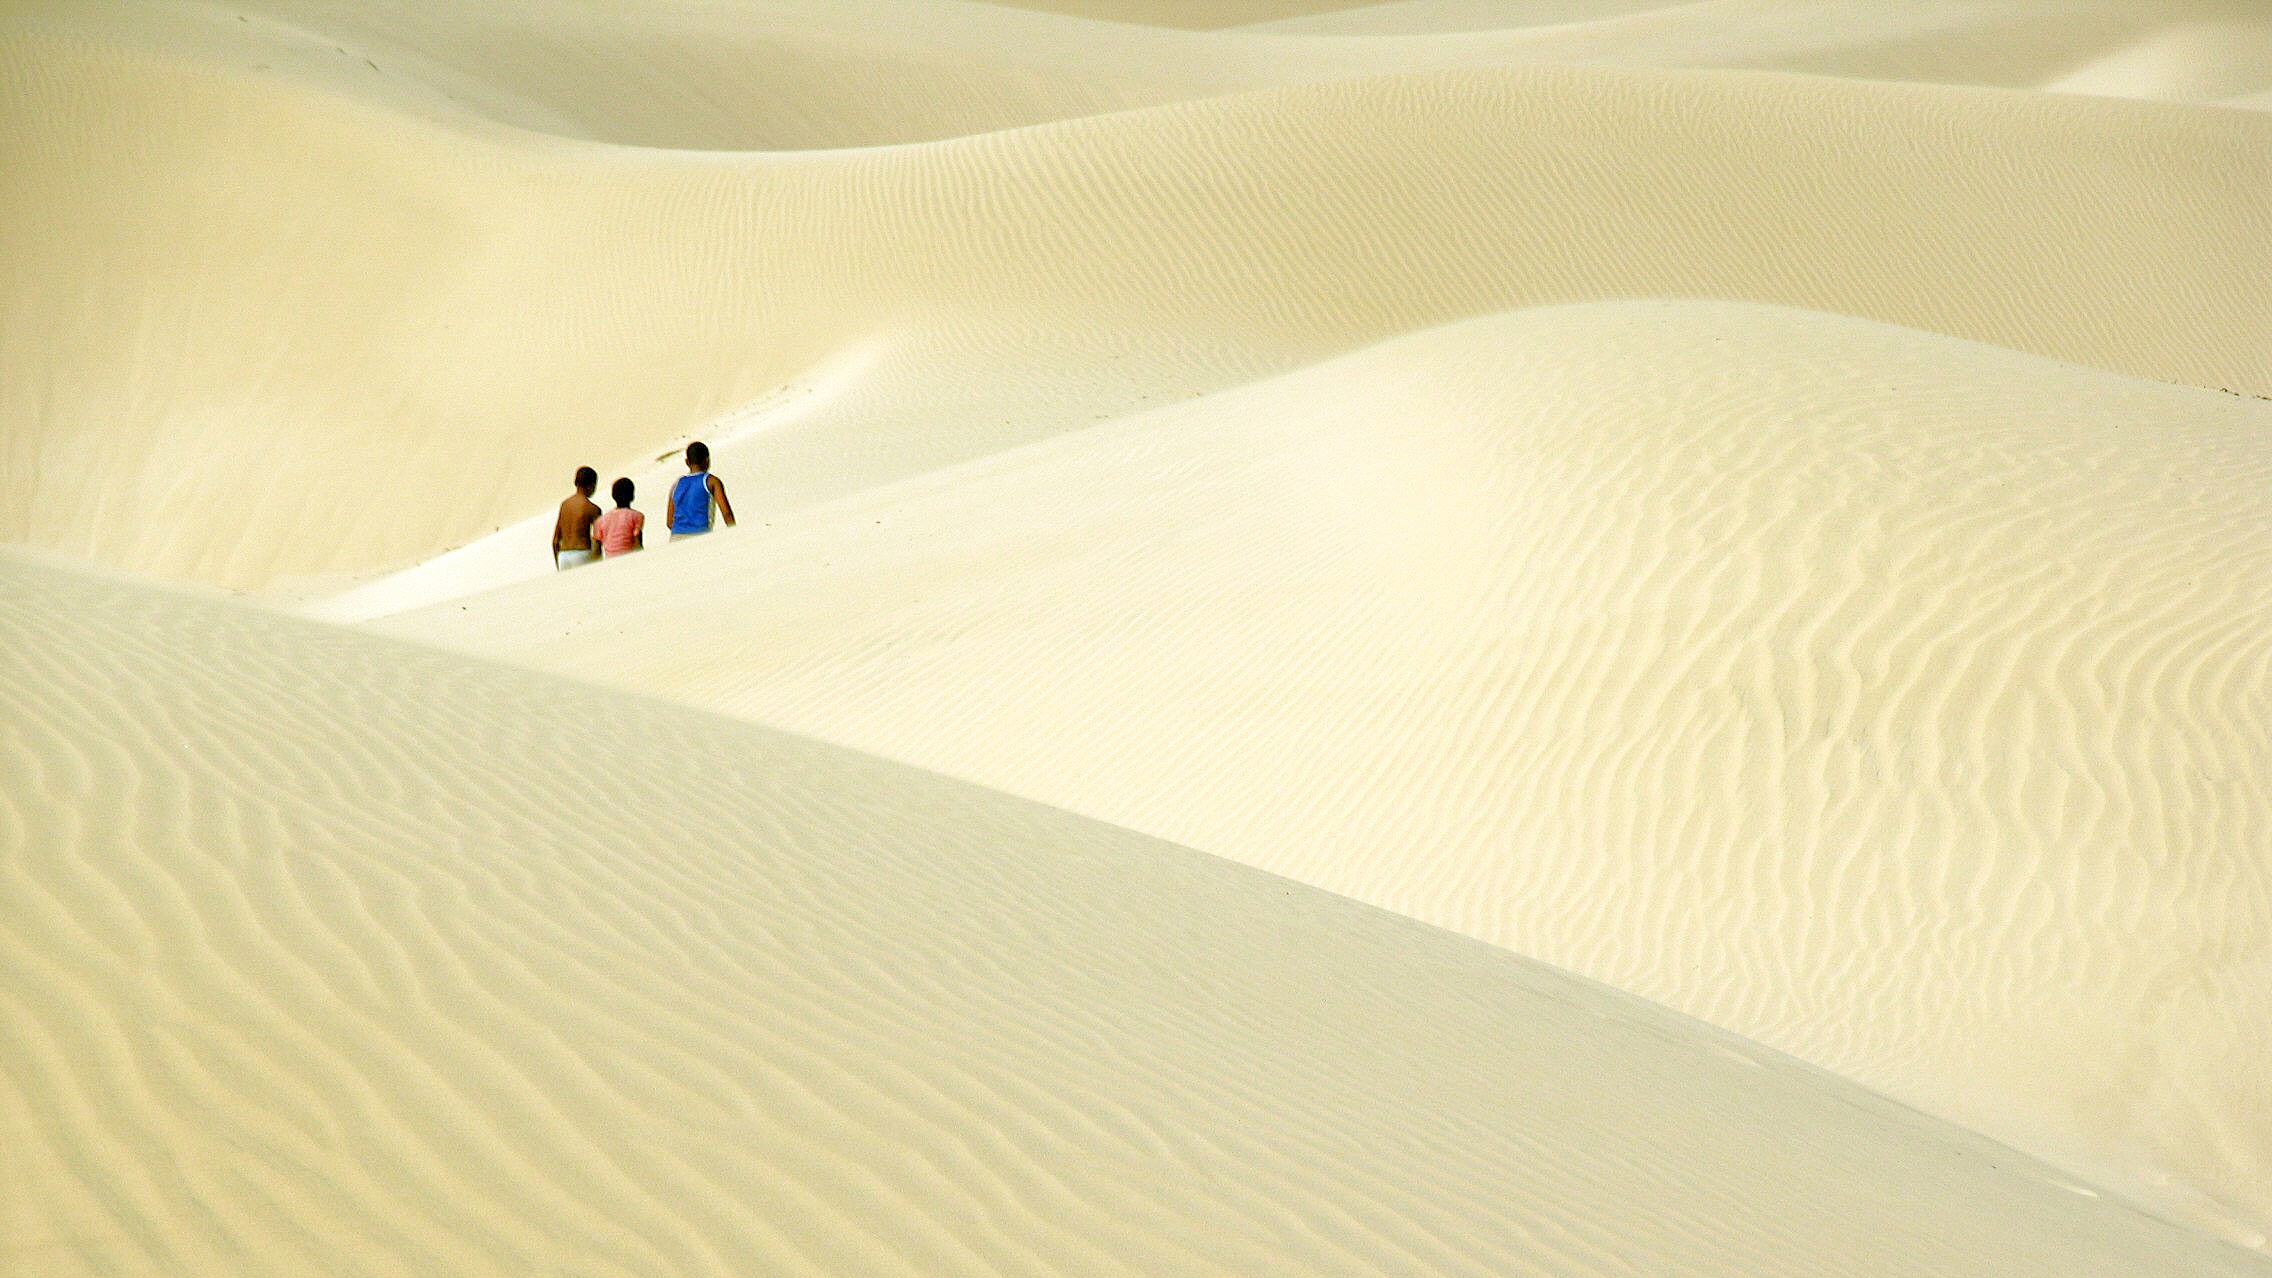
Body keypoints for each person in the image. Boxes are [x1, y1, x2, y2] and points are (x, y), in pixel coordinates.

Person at [666, 440, 735, 539]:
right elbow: (727, 513)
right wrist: (734, 533)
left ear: (687, 462)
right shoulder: (711, 481)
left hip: (676, 537)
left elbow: (669, 522)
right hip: (700, 535)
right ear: (707, 460)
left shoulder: (677, 484)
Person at [552, 466, 601, 569]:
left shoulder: (564, 505)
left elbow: (556, 540)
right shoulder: (592, 508)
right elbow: (598, 540)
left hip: (563, 556)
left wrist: (558, 563)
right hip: (582, 554)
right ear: (591, 485)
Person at [592, 477, 644, 559]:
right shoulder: (637, 516)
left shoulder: (601, 520)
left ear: (613, 496)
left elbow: (596, 550)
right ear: (632, 495)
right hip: (629, 558)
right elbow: (637, 543)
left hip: (610, 560)